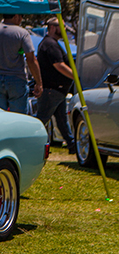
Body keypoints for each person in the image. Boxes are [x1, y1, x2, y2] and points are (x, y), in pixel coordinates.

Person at [0, 13, 43, 114]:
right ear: (16, 16)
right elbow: (31, 60)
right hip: (16, 79)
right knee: (19, 117)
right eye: (21, 17)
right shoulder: (22, 33)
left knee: (0, 115)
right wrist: (39, 83)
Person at [35, 18, 77, 153]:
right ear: (52, 27)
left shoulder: (51, 43)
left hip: (57, 90)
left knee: (62, 120)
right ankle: (29, 143)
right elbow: (59, 65)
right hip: (52, 90)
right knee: (41, 120)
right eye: (62, 27)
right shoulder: (50, 44)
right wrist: (76, 77)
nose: (65, 30)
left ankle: (72, 145)